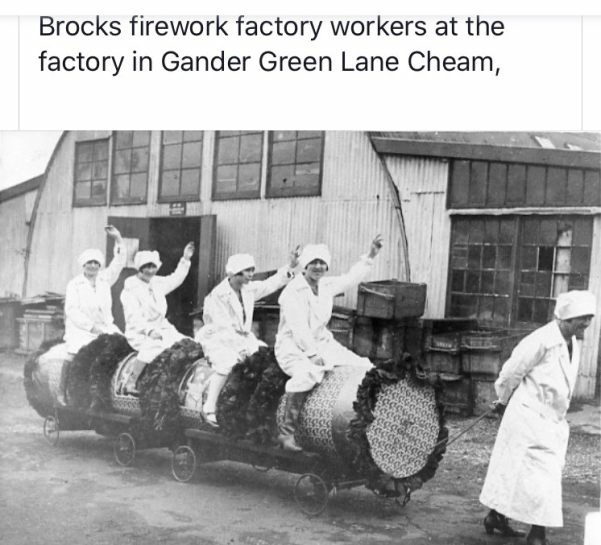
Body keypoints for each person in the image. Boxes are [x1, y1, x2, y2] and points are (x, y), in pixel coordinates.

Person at [479, 290, 596, 545]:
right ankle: (538, 533)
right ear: (565, 317)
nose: (587, 323)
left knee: (522, 474)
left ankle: (495, 516)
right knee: (540, 477)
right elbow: (511, 372)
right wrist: (502, 399)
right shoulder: (541, 340)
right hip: (528, 417)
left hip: (551, 420)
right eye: (582, 317)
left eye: (590, 317)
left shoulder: (572, 342)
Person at [275, 235, 383, 451]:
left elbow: (351, 278)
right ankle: (286, 433)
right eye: (312, 262)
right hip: (293, 346)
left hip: (323, 342)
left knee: (364, 365)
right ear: (304, 266)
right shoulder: (292, 292)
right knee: (308, 374)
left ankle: (373, 421)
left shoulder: (326, 285)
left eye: (322, 263)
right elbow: (298, 328)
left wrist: (370, 255)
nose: (317, 267)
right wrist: (312, 354)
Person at [195, 249, 300, 427]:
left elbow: (270, 284)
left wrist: (290, 266)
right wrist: (239, 347)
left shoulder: (247, 289)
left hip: (243, 338)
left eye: (252, 270)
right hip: (218, 338)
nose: (251, 274)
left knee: (264, 356)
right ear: (235, 272)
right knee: (227, 363)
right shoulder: (218, 294)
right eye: (247, 271)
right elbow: (222, 327)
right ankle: (209, 407)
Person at [120, 242, 195, 365]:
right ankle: (132, 380)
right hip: (140, 332)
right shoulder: (130, 289)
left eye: (153, 267)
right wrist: (149, 331)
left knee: (187, 344)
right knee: (154, 351)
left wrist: (186, 259)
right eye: (146, 267)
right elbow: (133, 318)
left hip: (163, 328)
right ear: (139, 268)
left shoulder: (157, 283)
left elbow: (175, 278)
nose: (150, 271)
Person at [64, 225, 126, 354]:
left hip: (106, 328)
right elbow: (72, 311)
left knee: (124, 346)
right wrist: (92, 327)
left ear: (100, 265)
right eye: (89, 262)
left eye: (96, 263)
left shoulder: (105, 279)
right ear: (84, 265)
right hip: (81, 330)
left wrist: (118, 238)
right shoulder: (74, 284)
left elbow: (119, 262)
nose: (93, 266)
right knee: (87, 353)